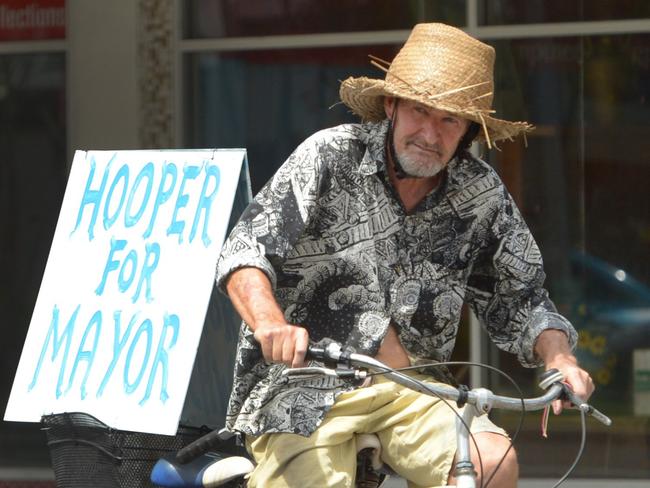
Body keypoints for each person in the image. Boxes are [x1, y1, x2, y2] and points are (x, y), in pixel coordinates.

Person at [215, 23, 594, 488]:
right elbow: (245, 251)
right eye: (419, 111)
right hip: (305, 386)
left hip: (417, 390)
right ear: (391, 106)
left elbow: (523, 297)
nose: (429, 134)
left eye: (449, 120)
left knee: (493, 464)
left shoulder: (480, 194)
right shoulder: (330, 156)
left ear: (468, 132)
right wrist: (270, 323)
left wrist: (561, 358)